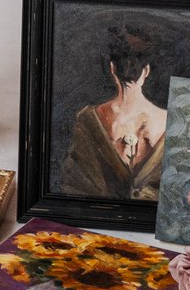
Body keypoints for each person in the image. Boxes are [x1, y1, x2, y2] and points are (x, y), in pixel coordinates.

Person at [57, 25, 171, 201]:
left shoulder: (89, 119)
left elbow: (73, 183)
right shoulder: (168, 120)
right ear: (146, 71)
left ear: (112, 68)